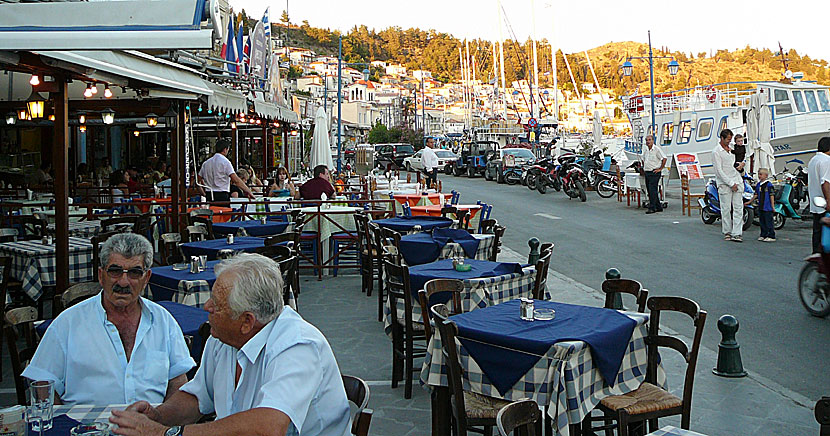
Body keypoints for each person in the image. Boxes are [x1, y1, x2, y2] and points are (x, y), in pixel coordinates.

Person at [109, 253, 351, 436]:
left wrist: (167, 433)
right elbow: (198, 398)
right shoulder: (223, 338)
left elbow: (268, 426)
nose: (207, 307)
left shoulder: (298, 345)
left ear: (246, 321)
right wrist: (159, 416)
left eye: (217, 303)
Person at [22, 233, 195, 406]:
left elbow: (178, 381)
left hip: (149, 425)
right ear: (101, 275)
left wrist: (163, 422)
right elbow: (43, 383)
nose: (123, 282)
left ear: (146, 278)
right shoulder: (69, 322)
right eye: (115, 271)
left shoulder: (163, 320)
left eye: (135, 273)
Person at [712, 129, 745, 242]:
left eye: (730, 140)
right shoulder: (716, 152)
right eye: (728, 140)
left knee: (738, 208)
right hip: (725, 183)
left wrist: (742, 164)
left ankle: (737, 232)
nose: (729, 142)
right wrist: (730, 183)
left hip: (737, 179)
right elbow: (719, 171)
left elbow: (739, 159)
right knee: (726, 208)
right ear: (722, 138)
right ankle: (727, 231)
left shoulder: (732, 149)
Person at [807, 137, 830, 253]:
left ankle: (816, 253)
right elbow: (825, 182)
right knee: (825, 230)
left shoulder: (813, 160)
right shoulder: (826, 161)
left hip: (815, 201)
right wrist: (828, 200)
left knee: (817, 229)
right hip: (825, 202)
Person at [640, 135, 666, 214]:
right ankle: (658, 206)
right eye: (647, 140)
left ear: (653, 141)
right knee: (650, 189)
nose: (648, 142)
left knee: (652, 190)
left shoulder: (657, 150)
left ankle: (652, 207)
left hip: (654, 172)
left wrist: (660, 168)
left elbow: (664, 158)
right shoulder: (646, 150)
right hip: (647, 172)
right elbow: (643, 159)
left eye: (650, 140)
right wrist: (644, 166)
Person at [752, 168, 776, 242]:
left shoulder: (769, 185)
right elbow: (756, 194)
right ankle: (763, 234)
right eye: (759, 174)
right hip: (761, 206)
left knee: (768, 221)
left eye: (761, 174)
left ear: (766, 175)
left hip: (767, 207)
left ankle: (771, 235)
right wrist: (750, 201)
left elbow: (771, 195)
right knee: (762, 221)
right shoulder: (758, 185)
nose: (759, 176)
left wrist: (772, 206)